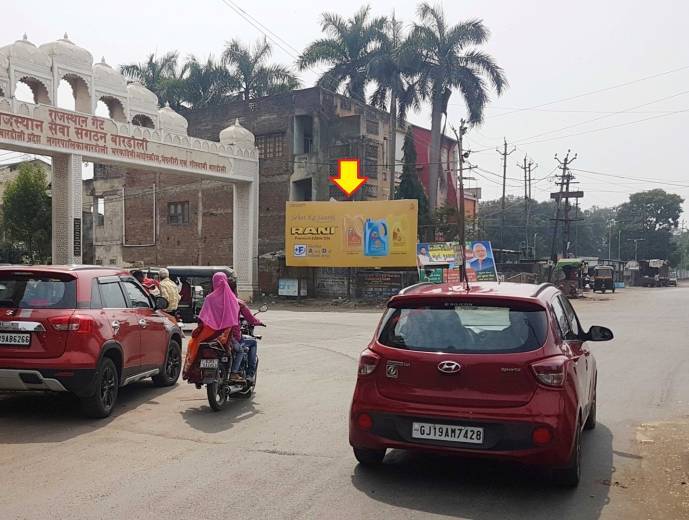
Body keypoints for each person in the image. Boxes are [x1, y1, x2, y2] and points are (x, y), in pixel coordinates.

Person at [182, 272, 240, 380]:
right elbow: (234, 320)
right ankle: (232, 373)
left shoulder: (209, 298)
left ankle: (192, 372)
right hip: (225, 334)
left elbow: (202, 318)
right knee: (235, 351)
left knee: (193, 344)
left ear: (213, 282)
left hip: (208, 333)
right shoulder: (232, 299)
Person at [228, 277, 264, 383]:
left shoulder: (211, 299)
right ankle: (249, 374)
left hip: (213, 335)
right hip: (231, 335)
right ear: (235, 289)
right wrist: (259, 322)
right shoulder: (237, 302)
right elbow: (251, 319)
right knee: (252, 343)